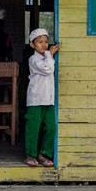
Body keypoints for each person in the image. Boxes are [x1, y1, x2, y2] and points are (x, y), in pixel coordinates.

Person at [24, 28, 59, 168]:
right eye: (40, 42)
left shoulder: (47, 57)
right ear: (32, 44)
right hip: (36, 99)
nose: (44, 44)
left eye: (46, 41)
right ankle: (30, 154)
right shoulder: (33, 59)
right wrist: (50, 54)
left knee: (50, 127)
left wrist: (49, 55)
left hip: (49, 99)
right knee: (34, 127)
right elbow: (48, 69)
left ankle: (43, 153)